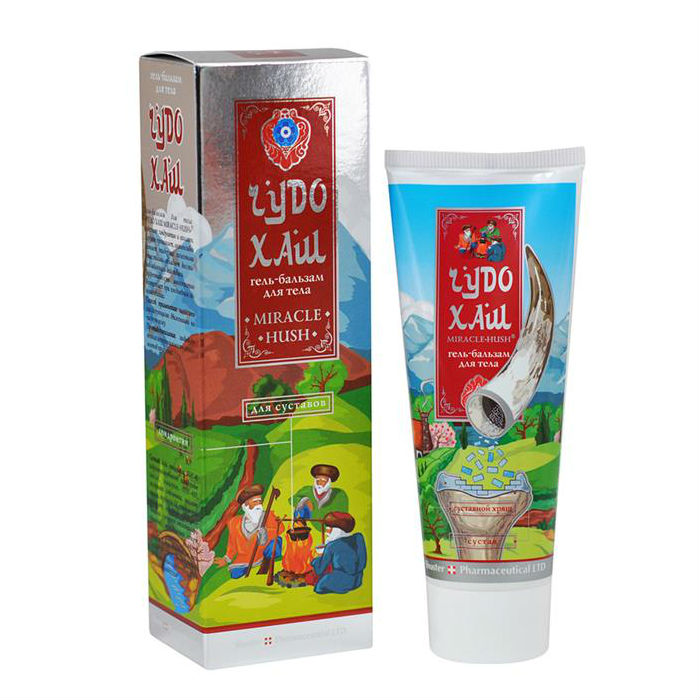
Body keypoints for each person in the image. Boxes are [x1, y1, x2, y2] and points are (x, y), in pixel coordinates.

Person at [214, 484, 283, 579]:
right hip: (246, 558)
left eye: (260, 501)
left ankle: (265, 566)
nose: (259, 505)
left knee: (276, 542)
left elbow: (280, 529)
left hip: (263, 552)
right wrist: (226, 559)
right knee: (235, 574)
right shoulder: (235, 523)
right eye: (255, 502)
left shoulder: (267, 515)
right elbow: (232, 544)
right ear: (245, 505)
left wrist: (266, 532)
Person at [311, 512, 367, 594]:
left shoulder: (332, 545)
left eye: (329, 530)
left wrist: (315, 559)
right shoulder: (358, 537)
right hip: (358, 580)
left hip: (341, 580)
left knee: (319, 587)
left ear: (336, 530)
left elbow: (319, 570)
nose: (326, 533)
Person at [292, 464, 348, 530]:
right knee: (302, 503)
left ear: (329, 482)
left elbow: (343, 514)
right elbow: (292, 499)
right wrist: (304, 500)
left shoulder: (339, 494)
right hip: (308, 527)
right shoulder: (307, 490)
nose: (319, 483)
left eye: (323, 481)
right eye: (317, 480)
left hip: (330, 528)